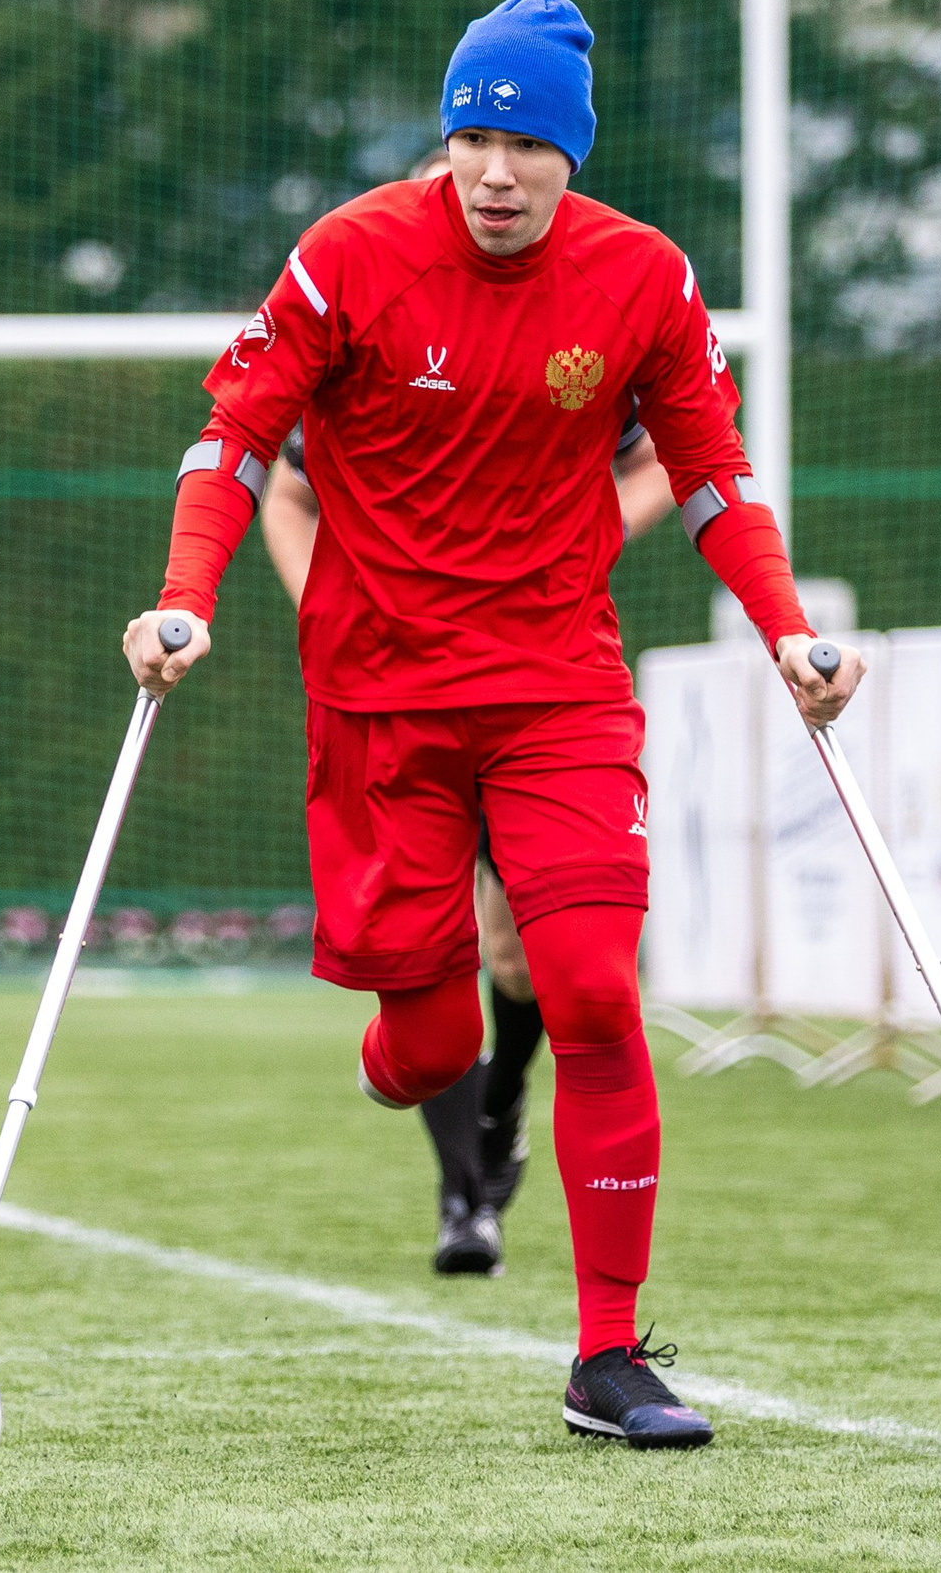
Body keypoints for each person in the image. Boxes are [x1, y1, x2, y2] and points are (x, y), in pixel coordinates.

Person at [124, 0, 864, 1449]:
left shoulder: (645, 280)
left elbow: (711, 470)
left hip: (558, 691)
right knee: (428, 1036)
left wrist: (789, 630)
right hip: (382, 701)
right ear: (444, 136)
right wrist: (182, 595)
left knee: (589, 985)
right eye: (473, 133)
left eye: (527, 140)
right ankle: (401, 1048)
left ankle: (609, 1353)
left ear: (572, 153)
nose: (497, 169)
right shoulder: (349, 258)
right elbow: (238, 435)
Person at [259, 164, 675, 1277]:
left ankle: (501, 1119)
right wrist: (335, 603)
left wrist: (563, 552)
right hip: (394, 685)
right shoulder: (367, 308)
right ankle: (463, 1193)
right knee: (436, 969)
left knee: (531, 956)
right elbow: (282, 485)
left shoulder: (590, 318)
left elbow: (673, 460)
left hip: (536, 678)